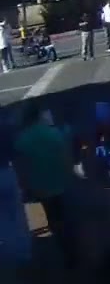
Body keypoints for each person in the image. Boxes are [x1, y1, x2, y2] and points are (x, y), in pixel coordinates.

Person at [12, 105, 78, 268]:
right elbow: (66, 157)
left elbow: (21, 167)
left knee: (53, 217)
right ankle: (72, 247)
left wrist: (24, 185)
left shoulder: (23, 139)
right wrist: (69, 174)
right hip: (60, 181)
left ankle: (64, 247)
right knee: (65, 213)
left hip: (41, 186)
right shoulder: (53, 133)